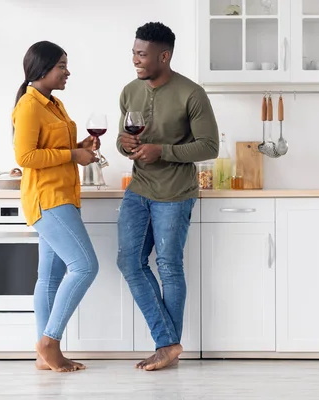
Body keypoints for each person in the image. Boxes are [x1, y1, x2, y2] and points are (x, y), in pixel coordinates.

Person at [116, 22, 220, 371]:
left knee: (170, 268)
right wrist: (124, 144)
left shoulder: (192, 94)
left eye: (142, 54)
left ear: (165, 55)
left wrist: (163, 151)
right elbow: (122, 139)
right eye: (134, 52)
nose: (135, 59)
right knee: (129, 263)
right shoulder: (130, 91)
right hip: (138, 190)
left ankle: (166, 348)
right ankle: (168, 344)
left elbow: (209, 146)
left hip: (175, 194)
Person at [13, 41, 100, 373]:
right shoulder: (29, 106)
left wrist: (79, 147)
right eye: (62, 65)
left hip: (62, 196)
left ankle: (42, 354)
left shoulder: (54, 104)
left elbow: (52, 148)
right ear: (42, 69)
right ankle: (49, 342)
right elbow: (25, 157)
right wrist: (72, 155)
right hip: (48, 199)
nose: (67, 71)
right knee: (85, 266)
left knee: (49, 277)